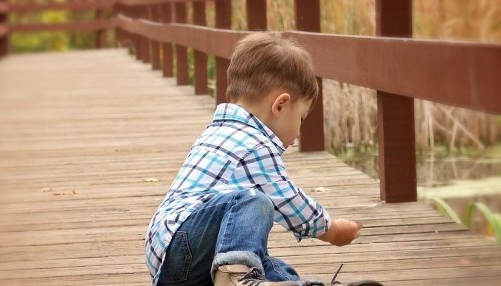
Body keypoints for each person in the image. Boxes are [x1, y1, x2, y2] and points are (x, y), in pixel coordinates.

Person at [145, 32, 381, 286]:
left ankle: (269, 281)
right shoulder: (254, 145)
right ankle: (236, 278)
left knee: (270, 266)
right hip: (183, 248)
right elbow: (288, 199)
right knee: (253, 201)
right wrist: (331, 230)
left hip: (180, 258)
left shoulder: (218, 131)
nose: (299, 131)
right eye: (301, 117)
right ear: (280, 106)